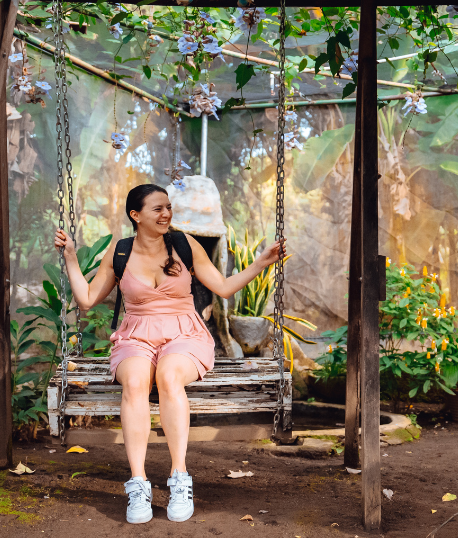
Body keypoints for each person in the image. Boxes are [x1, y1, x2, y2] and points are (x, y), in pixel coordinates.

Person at [53, 183, 286, 524]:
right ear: (136, 215)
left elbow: (221, 286)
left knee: (168, 375)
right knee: (134, 382)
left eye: (168, 208)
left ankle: (179, 478)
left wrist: (261, 263)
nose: (166, 214)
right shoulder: (119, 252)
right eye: (157, 209)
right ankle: (138, 484)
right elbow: (88, 299)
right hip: (136, 335)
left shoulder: (183, 245)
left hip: (185, 333)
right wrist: (71, 257)